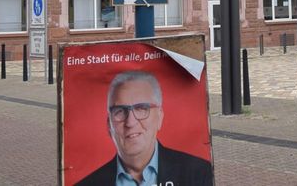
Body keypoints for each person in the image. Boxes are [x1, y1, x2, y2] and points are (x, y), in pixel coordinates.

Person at [76, 70, 213, 186]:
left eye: (141, 108)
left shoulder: (199, 173)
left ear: (159, 117)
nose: (130, 122)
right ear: (109, 125)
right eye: (120, 111)